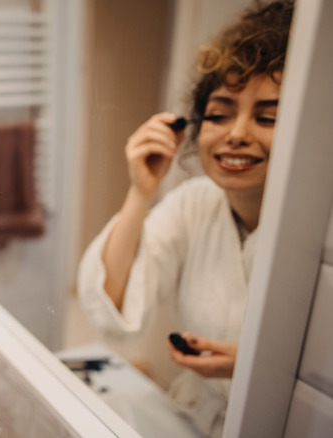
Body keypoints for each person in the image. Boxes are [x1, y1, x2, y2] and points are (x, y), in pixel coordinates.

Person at [76, 1, 293, 436]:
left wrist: (261, 368)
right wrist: (142, 191)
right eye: (219, 113)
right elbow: (112, 307)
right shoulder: (196, 204)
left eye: (267, 117)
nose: (236, 133)